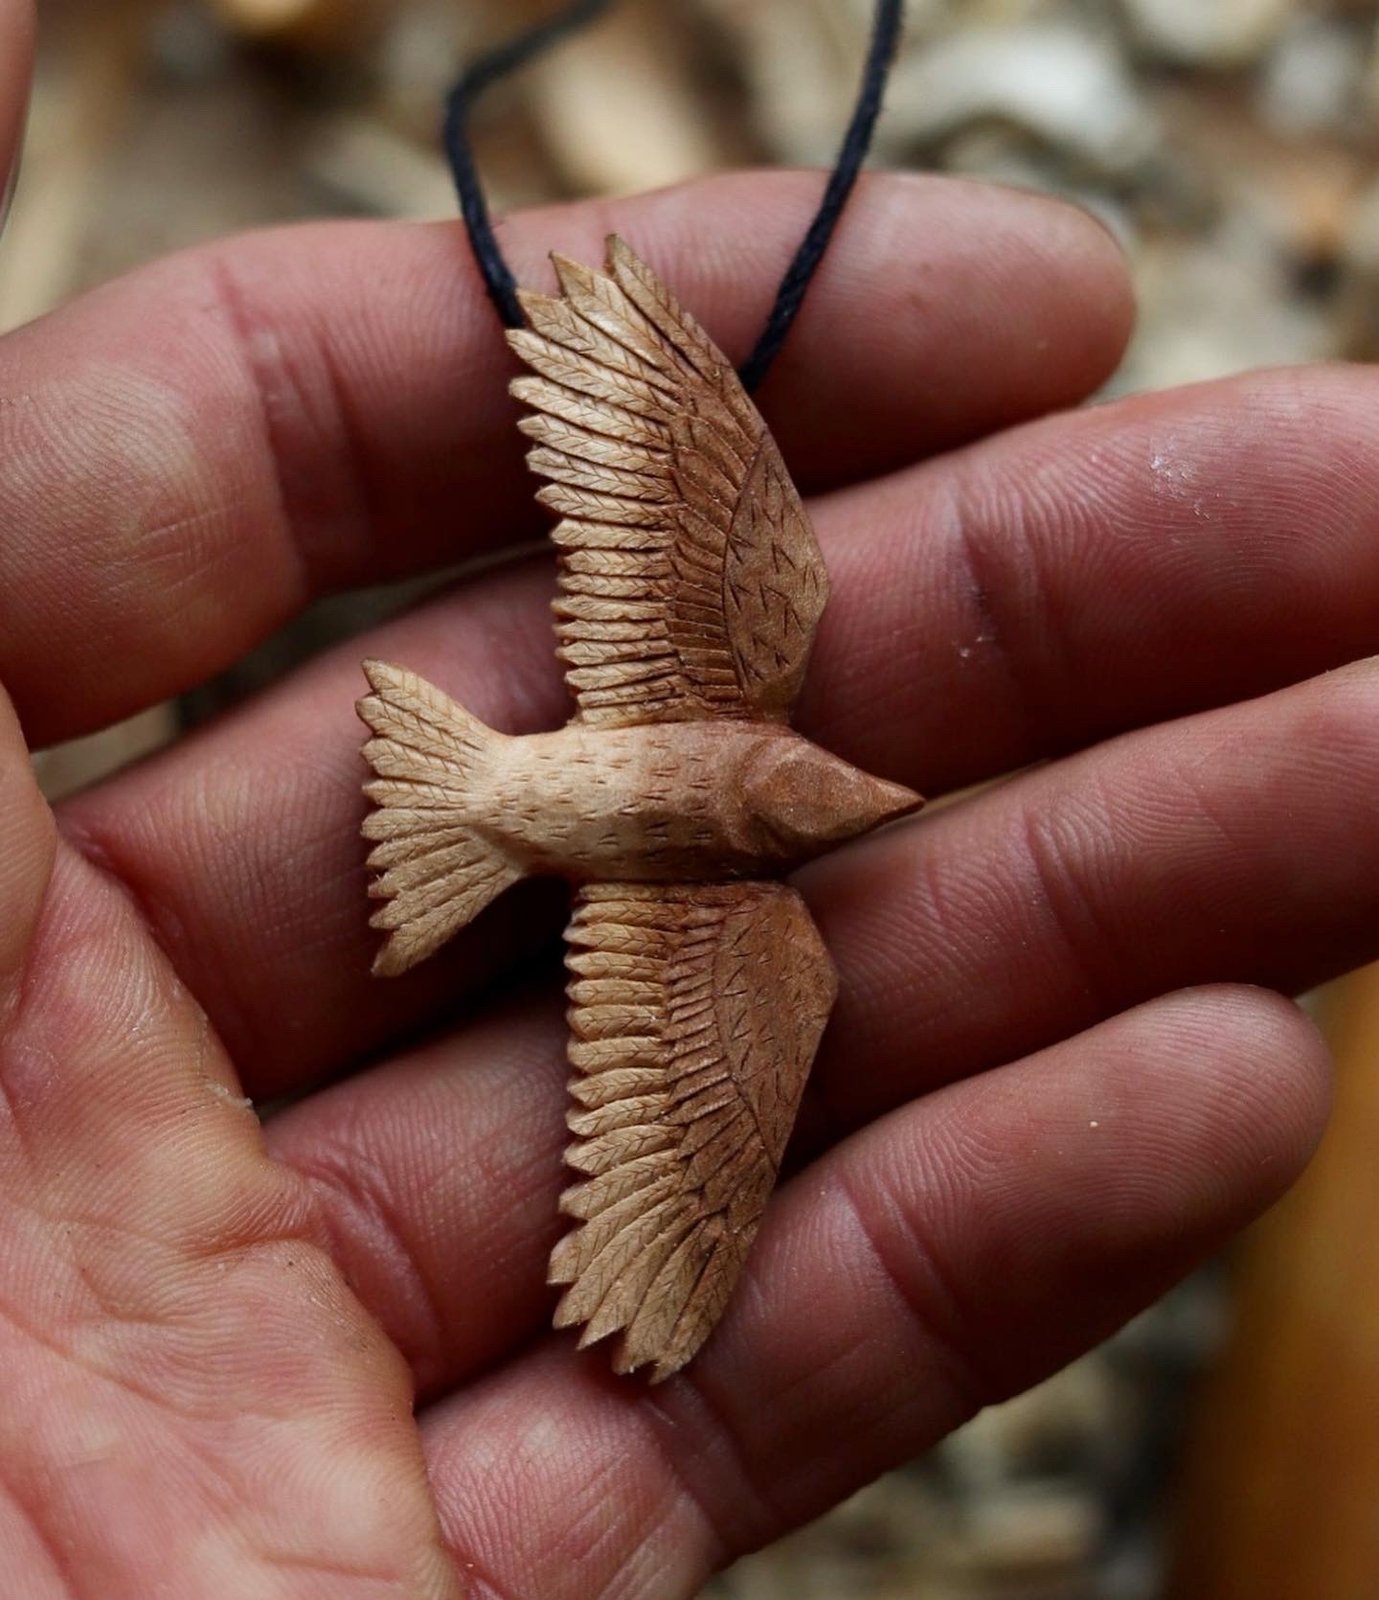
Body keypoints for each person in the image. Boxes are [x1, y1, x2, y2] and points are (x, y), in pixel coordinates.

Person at [0, 3, 1367, 1594]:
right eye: (834, 801)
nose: (852, 804)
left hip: (486, 807)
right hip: (478, 794)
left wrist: (663, 1251)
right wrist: (628, 369)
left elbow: (686, 1145)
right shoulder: (756, 637)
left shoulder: (764, 945)